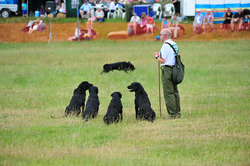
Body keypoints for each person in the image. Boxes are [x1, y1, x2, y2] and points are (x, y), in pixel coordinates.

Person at [153, 28, 181, 119]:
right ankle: (177, 112)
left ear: (164, 36)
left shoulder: (165, 45)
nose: (160, 36)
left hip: (167, 70)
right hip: (174, 70)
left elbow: (163, 60)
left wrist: (157, 56)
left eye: (160, 34)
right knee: (175, 91)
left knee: (168, 92)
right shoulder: (174, 44)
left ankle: (172, 114)